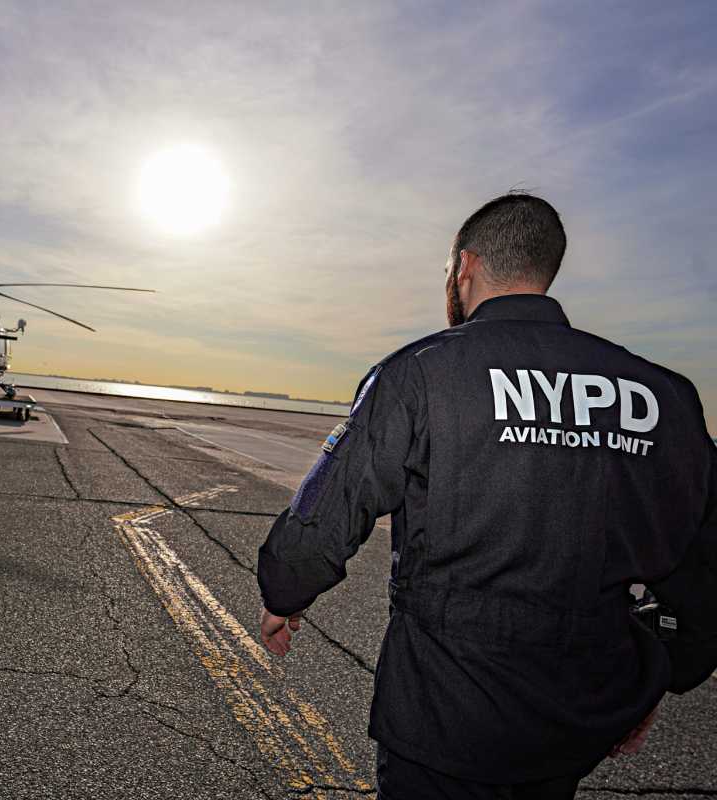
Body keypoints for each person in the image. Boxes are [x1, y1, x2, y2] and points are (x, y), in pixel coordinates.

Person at [256, 193, 717, 799]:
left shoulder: (423, 371)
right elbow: (705, 554)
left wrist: (285, 590)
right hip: (578, 714)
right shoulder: (665, 395)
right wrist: (666, 665)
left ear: (465, 267)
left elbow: (330, 509)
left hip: (446, 711)